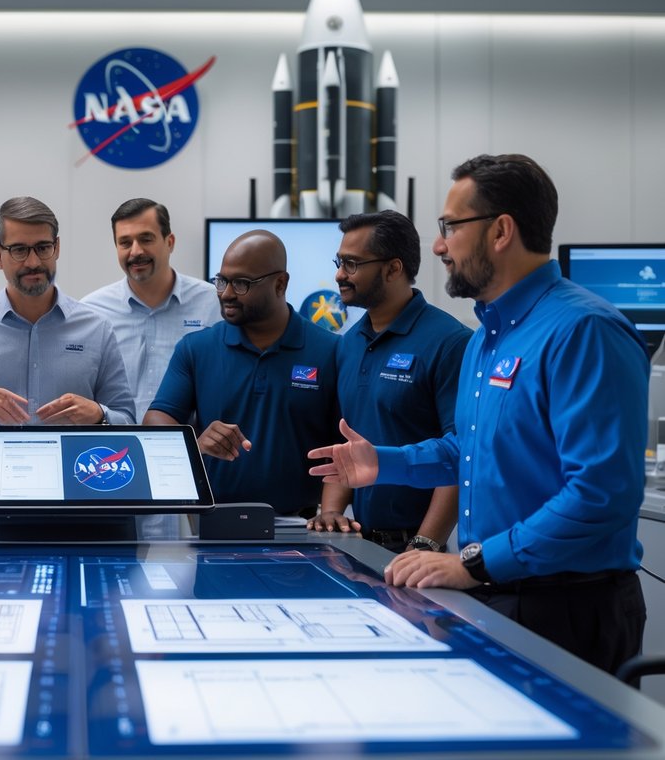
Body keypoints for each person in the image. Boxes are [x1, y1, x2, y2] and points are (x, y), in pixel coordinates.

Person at [308, 154, 648, 674]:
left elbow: (600, 494)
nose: (438, 246)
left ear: (501, 231)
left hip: (567, 606)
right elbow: (467, 450)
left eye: (450, 227)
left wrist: (476, 563)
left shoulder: (584, 331)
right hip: (494, 592)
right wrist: (385, 463)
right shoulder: (487, 340)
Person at [308, 210, 470, 552]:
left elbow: (461, 455)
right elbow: (346, 440)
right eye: (339, 261)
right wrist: (332, 513)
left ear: (393, 269)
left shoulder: (450, 342)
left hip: (418, 548)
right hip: (359, 545)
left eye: (352, 264)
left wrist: (424, 545)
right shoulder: (348, 344)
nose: (339, 274)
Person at [144, 230, 339, 514]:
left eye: (241, 283)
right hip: (215, 522)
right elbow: (156, 421)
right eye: (222, 281)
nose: (226, 293)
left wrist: (332, 512)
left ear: (280, 284)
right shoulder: (196, 348)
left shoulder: (331, 351)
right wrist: (195, 444)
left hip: (303, 525)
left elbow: (343, 445)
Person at [0, 196, 134, 427]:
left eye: (43, 248)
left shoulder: (96, 329)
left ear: (57, 248)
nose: (33, 262)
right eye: (19, 250)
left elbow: (126, 418)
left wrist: (99, 414)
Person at [81, 198, 220, 420]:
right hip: (116, 440)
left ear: (170, 242)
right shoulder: (92, 311)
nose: (136, 251)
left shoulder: (213, 303)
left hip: (191, 441)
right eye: (125, 243)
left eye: (146, 239)